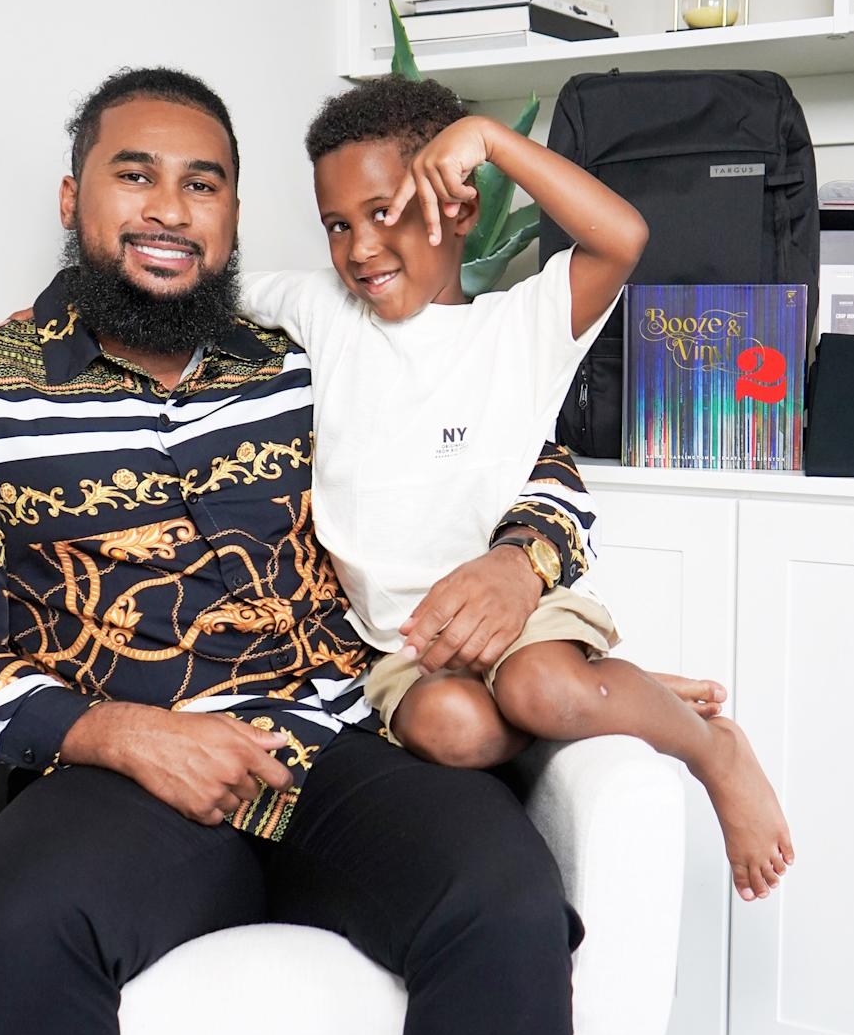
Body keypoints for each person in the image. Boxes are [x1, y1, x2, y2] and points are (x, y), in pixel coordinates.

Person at [0, 66, 689, 1035]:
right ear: (72, 197)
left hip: (339, 744)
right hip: (116, 774)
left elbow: (514, 456)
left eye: (202, 184)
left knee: (504, 902)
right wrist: (122, 734)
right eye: (136, 175)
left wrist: (520, 561)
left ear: (234, 217)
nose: (170, 209)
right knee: (11, 932)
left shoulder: (301, 355)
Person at [239, 76, 794, 902]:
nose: (359, 248)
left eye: (385, 212)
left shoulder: (520, 327)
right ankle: (620, 691)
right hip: (406, 643)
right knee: (452, 729)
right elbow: (207, 284)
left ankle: (712, 748)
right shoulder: (323, 310)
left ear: (459, 208)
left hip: (521, 618)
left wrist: (492, 141)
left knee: (543, 687)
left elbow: (623, 236)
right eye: (338, 224)